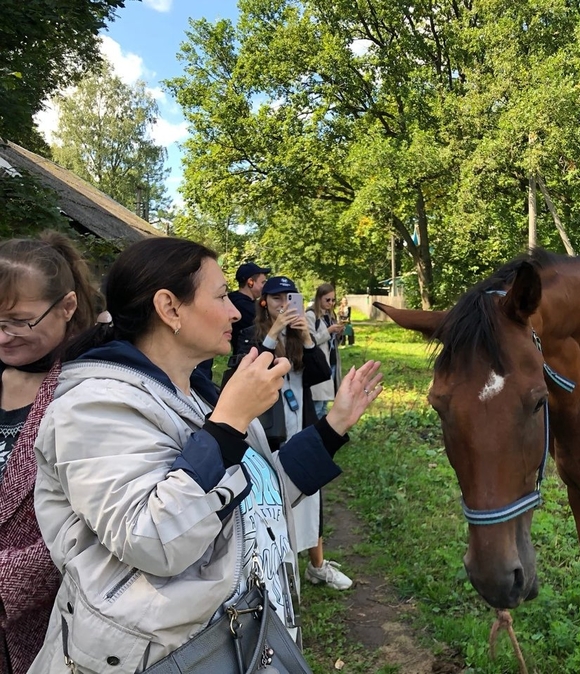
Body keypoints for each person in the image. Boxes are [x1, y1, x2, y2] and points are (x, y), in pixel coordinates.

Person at [28, 237, 383, 673]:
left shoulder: (199, 396)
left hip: (242, 643)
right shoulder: (93, 408)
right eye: (219, 296)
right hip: (171, 657)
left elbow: (258, 493)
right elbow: (154, 539)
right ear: (169, 307)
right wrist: (228, 424)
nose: (236, 310)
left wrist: (332, 427)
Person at [0, 233, 97, 674]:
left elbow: (94, 523)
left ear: (68, 307)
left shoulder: (94, 392)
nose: (3, 337)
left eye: (20, 321)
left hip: (51, 630)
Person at [234, 276, 353, 591]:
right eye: (276, 299)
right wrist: (272, 335)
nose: (284, 305)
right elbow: (243, 375)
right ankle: (275, 569)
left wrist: (309, 339)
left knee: (310, 497)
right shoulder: (251, 336)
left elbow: (320, 375)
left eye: (289, 298)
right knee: (270, 502)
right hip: (268, 433)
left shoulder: (301, 335)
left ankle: (317, 566)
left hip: (302, 425)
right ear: (264, 302)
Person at [307, 284, 343, 419]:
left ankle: (320, 435)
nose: (331, 303)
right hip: (318, 364)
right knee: (317, 403)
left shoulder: (329, 315)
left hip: (331, 362)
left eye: (333, 300)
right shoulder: (311, 315)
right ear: (319, 298)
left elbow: (332, 343)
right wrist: (329, 331)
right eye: (327, 300)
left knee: (324, 404)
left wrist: (338, 334)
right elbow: (309, 341)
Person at [227, 261, 271, 353]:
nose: (265, 287)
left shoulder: (236, 301)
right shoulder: (242, 305)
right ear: (250, 282)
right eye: (262, 282)